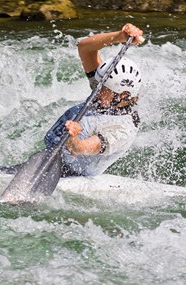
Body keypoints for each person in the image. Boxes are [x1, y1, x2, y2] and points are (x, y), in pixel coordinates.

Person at [44, 23, 144, 176]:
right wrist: (119, 36)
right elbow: (84, 47)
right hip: (51, 160)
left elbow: (79, 149)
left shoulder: (122, 130)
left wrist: (73, 136)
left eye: (102, 89)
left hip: (72, 174)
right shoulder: (105, 88)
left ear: (122, 95)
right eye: (97, 84)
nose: (95, 90)